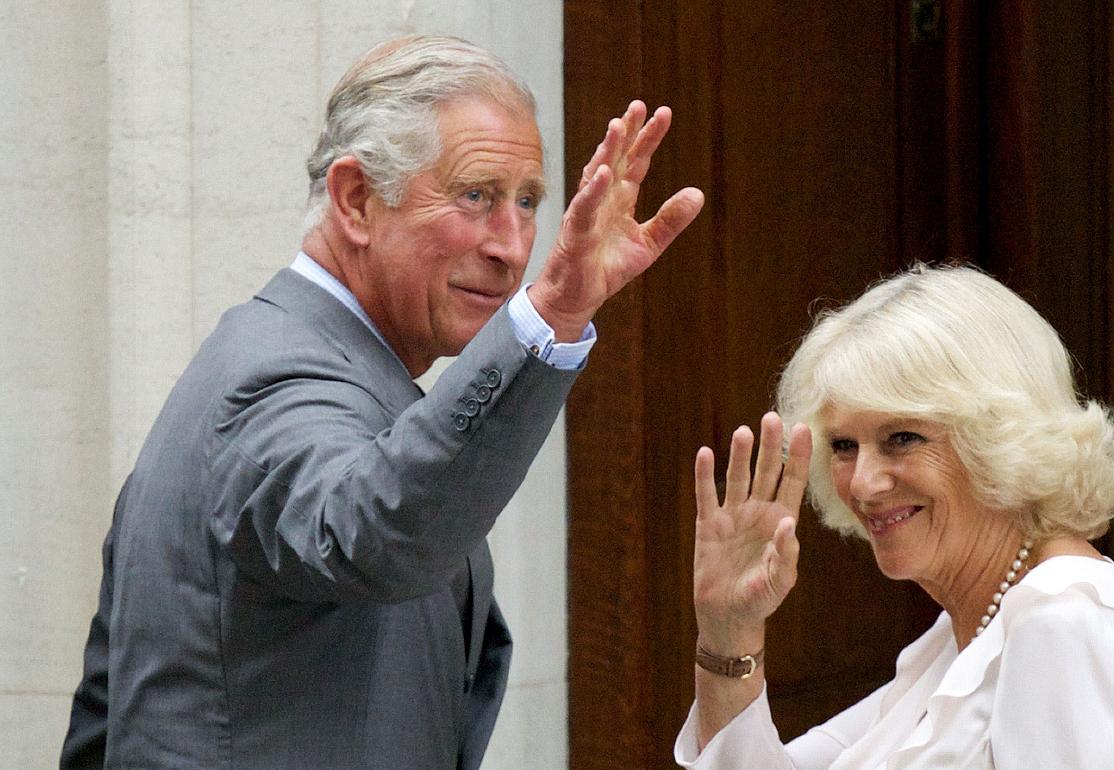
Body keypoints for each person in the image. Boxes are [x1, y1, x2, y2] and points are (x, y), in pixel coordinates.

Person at [61, 35, 703, 769]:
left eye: (527, 202)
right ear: (356, 200)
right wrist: (549, 312)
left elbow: (105, 718)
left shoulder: (307, 361)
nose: (512, 246)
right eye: (477, 196)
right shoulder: (273, 380)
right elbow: (374, 531)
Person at [677, 264, 1114, 769]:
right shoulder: (965, 635)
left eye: (902, 438)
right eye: (843, 445)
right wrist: (729, 630)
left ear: (998, 437)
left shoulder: (1064, 624)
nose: (862, 482)